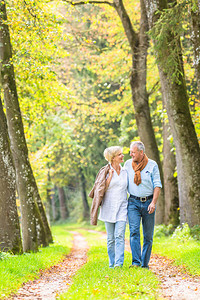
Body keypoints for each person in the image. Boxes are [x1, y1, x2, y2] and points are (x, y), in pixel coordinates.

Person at [124, 141, 162, 269]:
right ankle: (136, 262)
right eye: (130, 151)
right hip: (133, 202)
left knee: (148, 236)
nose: (130, 154)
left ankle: (144, 264)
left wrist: (153, 203)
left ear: (141, 152)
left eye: (133, 152)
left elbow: (157, 185)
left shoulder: (152, 165)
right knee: (134, 231)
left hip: (148, 203)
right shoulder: (128, 165)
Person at [89, 146, 128, 268]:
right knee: (111, 238)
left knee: (120, 235)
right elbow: (100, 190)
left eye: (122, 154)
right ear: (112, 158)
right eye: (119, 154)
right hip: (108, 207)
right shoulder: (105, 171)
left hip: (122, 206)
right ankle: (112, 263)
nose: (122, 156)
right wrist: (110, 177)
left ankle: (118, 264)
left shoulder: (125, 171)